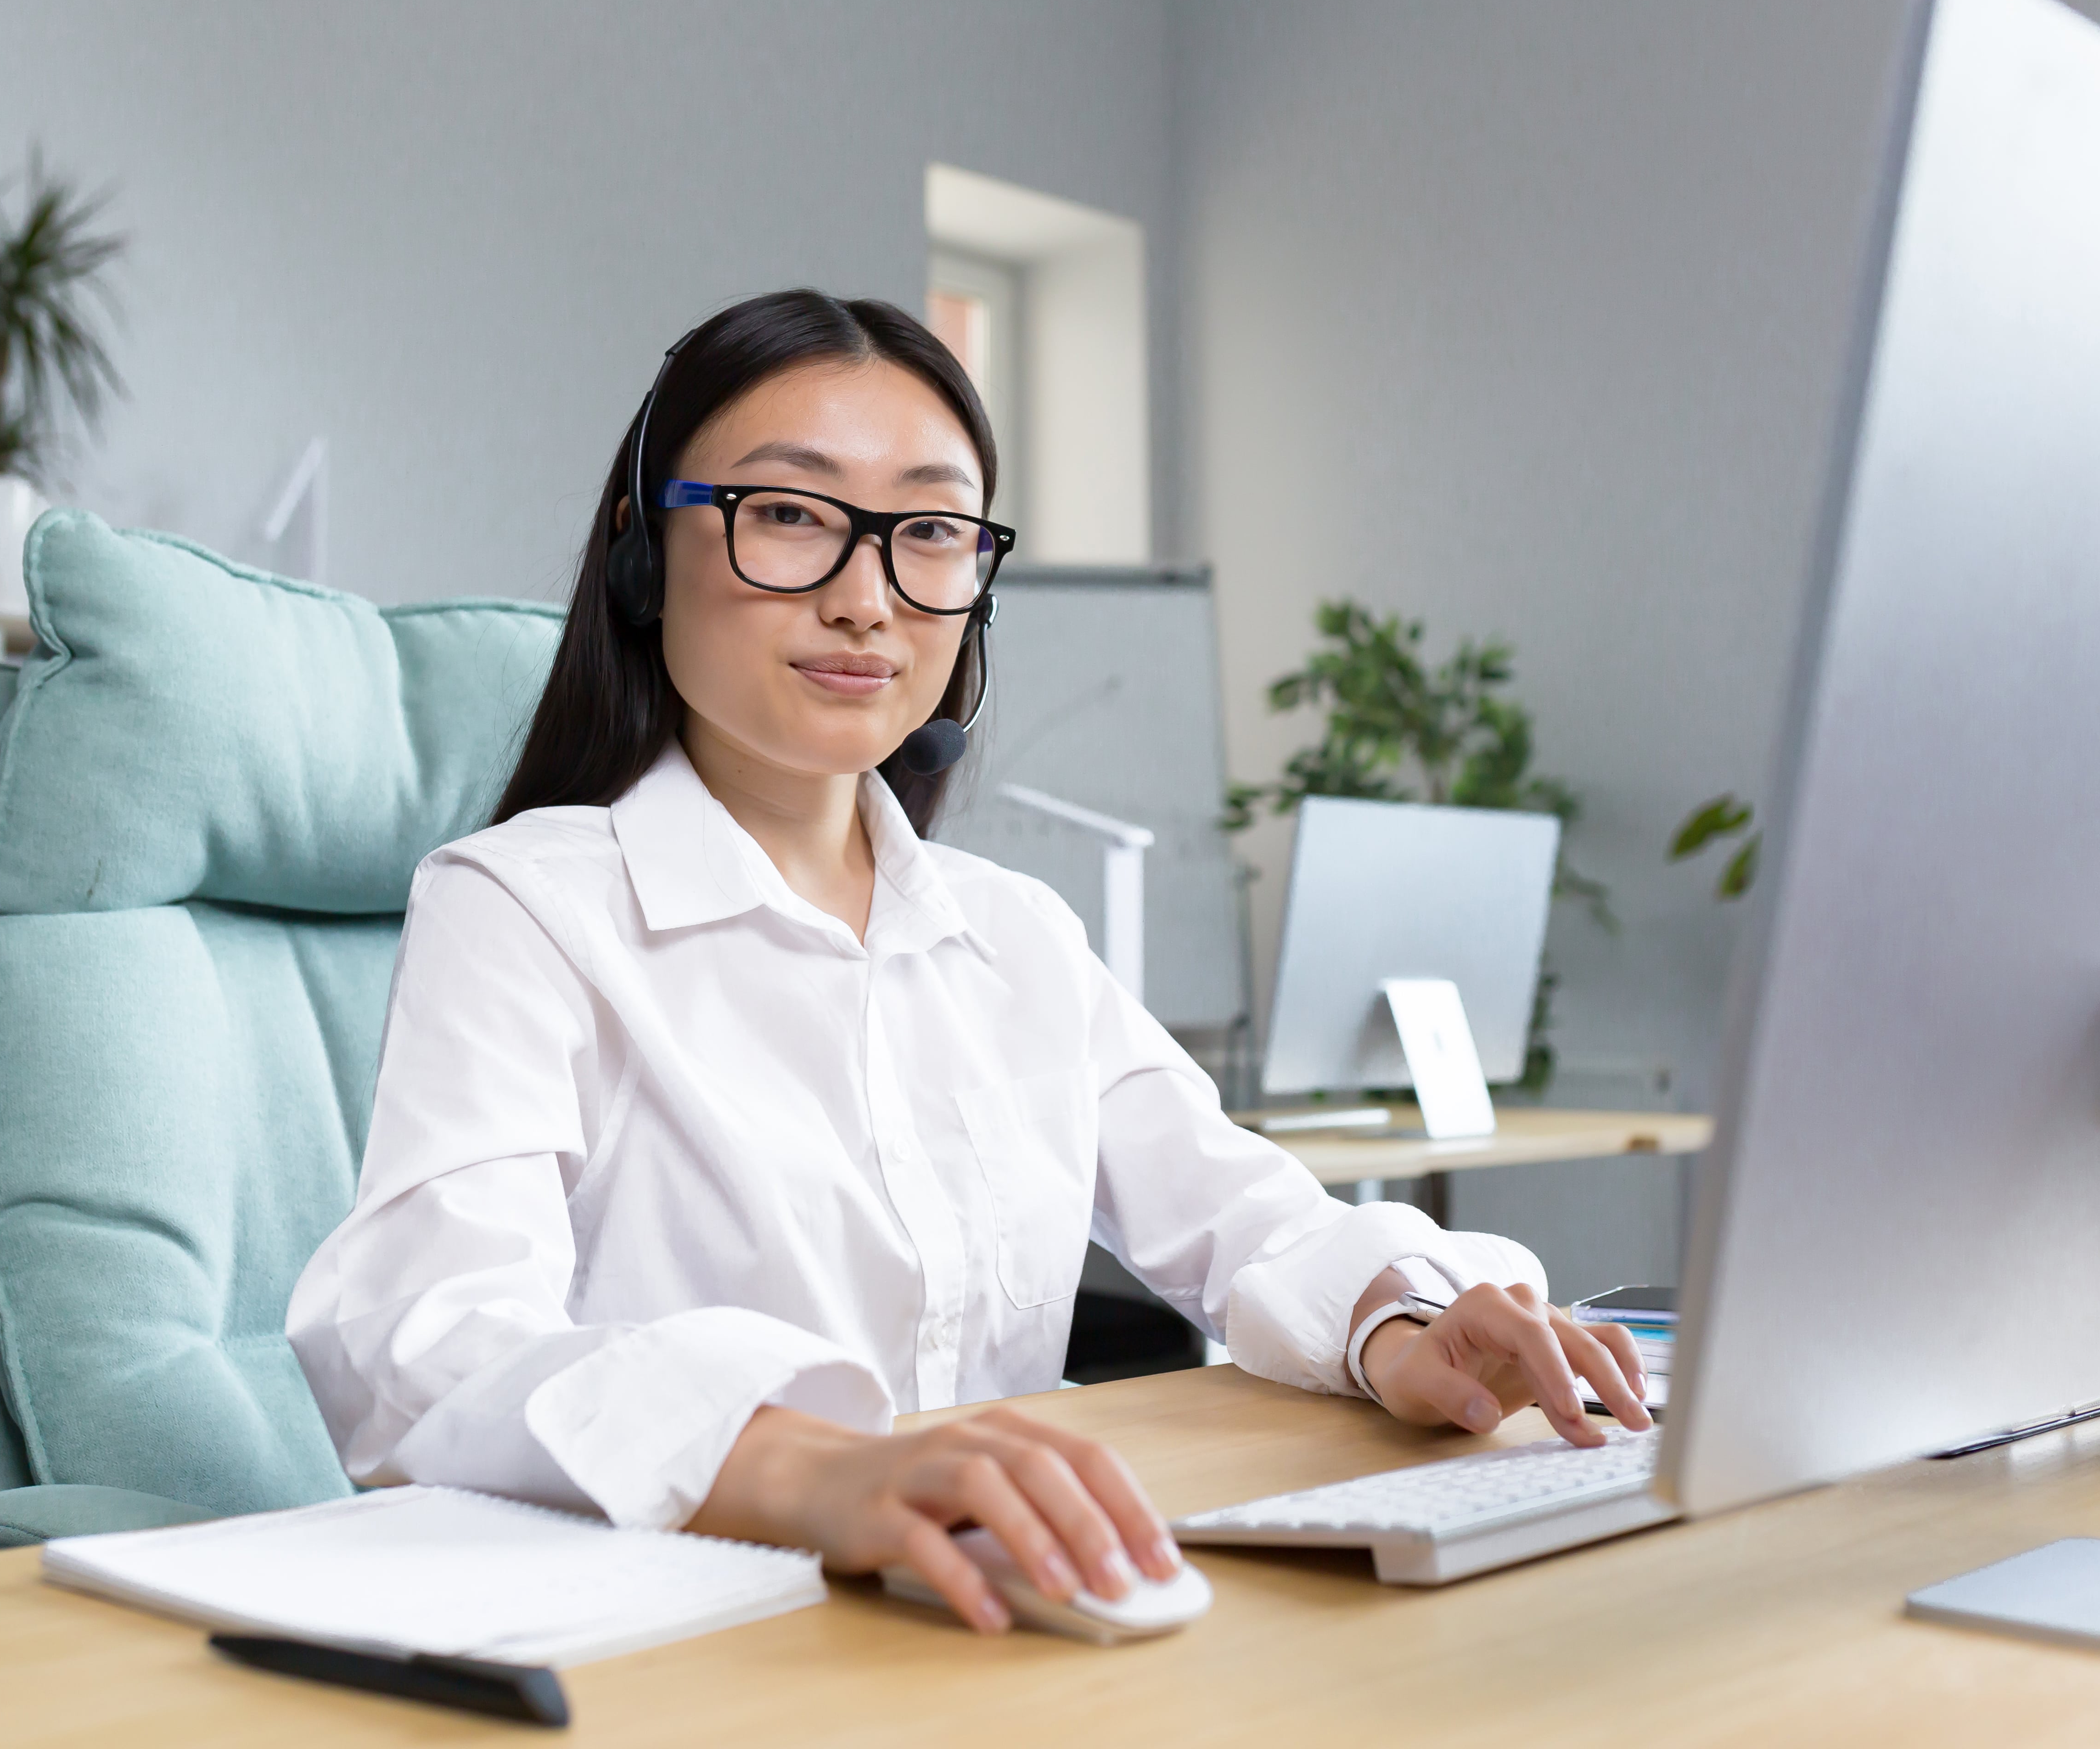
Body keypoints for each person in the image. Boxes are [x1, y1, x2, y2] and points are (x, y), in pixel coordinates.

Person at [287, 288, 1649, 1634]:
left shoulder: (1014, 938)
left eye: (929, 533)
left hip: (992, 1613)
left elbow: (1256, 1223)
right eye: (792, 517)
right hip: (686, 1632)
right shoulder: (525, 906)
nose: (868, 600)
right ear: (647, 554)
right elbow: (423, 1343)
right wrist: (813, 1467)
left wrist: (1408, 1334)